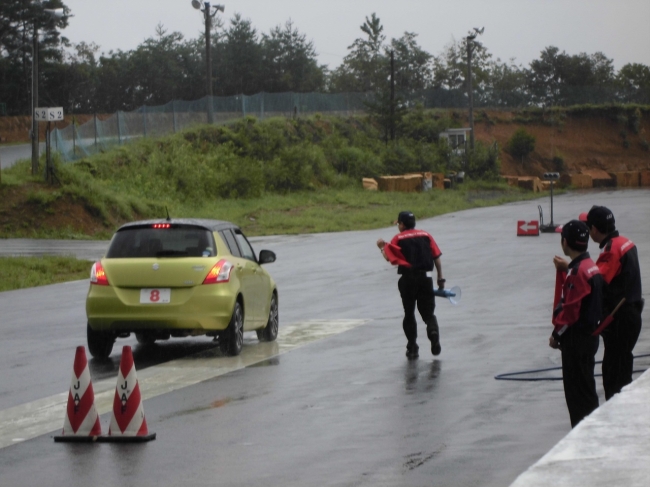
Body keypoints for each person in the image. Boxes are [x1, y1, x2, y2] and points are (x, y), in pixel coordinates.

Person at [585, 206, 644, 400]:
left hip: (620, 320)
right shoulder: (625, 242)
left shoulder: (611, 251)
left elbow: (597, 284)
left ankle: (617, 419)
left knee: (614, 376)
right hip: (632, 315)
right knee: (623, 367)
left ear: (594, 229)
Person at [551, 220, 604, 428]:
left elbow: (570, 312)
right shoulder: (591, 266)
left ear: (565, 242)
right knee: (587, 390)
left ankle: (584, 434)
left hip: (576, 342)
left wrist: (556, 336)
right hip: (591, 337)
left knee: (577, 396)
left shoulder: (576, 273)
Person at [376, 211, 444, 359]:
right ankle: (433, 334)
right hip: (426, 278)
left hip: (408, 279)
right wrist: (440, 278)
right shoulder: (426, 235)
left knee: (409, 312)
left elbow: (388, 257)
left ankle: (412, 347)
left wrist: (382, 247)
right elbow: (436, 258)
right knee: (428, 313)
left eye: (398, 224)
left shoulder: (398, 238)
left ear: (402, 224)